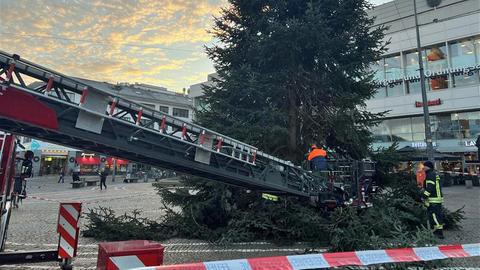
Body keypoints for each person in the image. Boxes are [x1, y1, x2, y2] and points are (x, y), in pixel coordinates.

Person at [422, 160, 444, 239]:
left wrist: (423, 196)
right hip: (437, 198)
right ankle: (437, 230)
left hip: (433, 199)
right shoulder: (434, 174)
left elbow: (430, 187)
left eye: (424, 166)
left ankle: (439, 233)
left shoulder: (430, 175)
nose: (423, 168)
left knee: (434, 215)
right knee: (437, 215)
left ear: (427, 166)